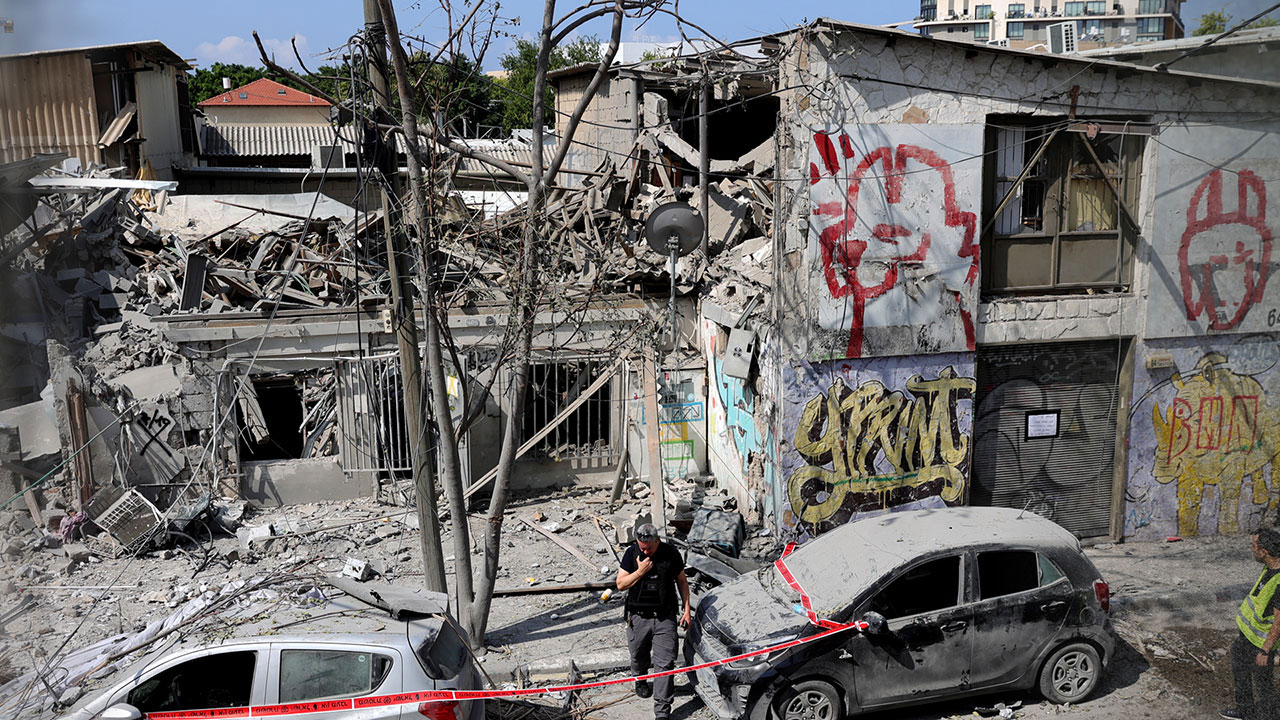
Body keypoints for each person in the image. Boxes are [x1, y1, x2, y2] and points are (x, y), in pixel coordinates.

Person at [616, 523, 691, 720]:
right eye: (642, 547)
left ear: (657, 540)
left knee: (665, 663)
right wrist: (640, 572)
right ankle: (640, 679)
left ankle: (662, 711)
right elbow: (620, 584)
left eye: (648, 547)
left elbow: (682, 581)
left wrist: (687, 609)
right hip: (638, 616)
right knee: (638, 656)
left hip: (665, 617)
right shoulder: (632, 554)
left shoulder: (670, 553)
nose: (645, 551)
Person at [1223, 528, 1280, 720]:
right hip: (1246, 637)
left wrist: (1265, 650)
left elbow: (1279, 622)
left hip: (1260, 645)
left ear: (1263, 551)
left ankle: (1268, 716)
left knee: (1264, 685)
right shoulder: (1269, 567)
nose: (1251, 549)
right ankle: (1245, 711)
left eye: (1253, 546)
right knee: (1240, 673)